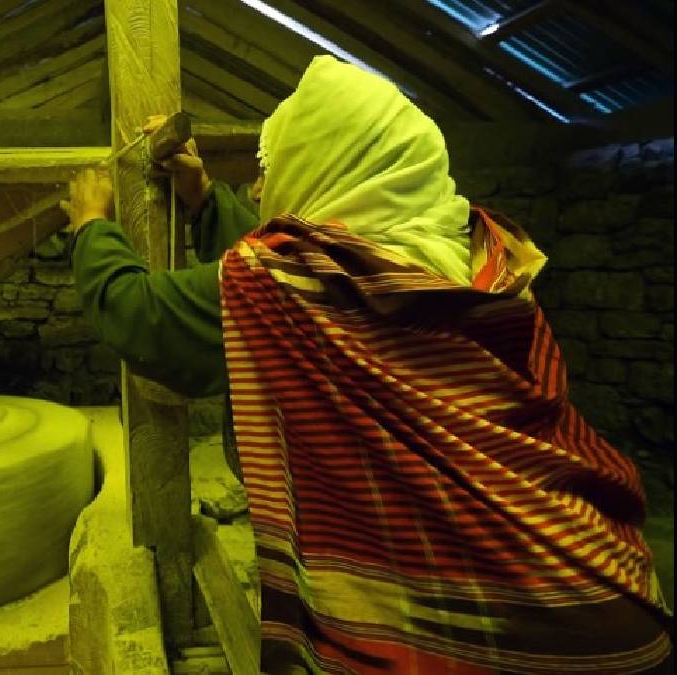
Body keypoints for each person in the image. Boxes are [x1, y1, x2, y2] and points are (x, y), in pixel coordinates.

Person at [62, 55, 672, 674]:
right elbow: (284, 280)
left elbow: (141, 315)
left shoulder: (292, 283)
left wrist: (90, 228)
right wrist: (200, 200)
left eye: (271, 169)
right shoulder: (482, 253)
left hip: (495, 639)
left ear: (329, 166)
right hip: (605, 595)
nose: (257, 188)